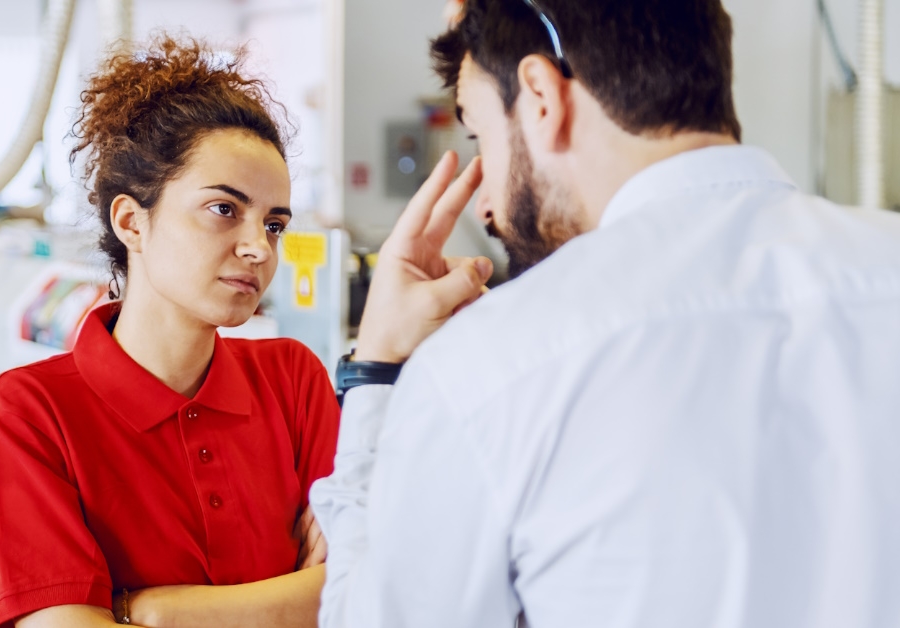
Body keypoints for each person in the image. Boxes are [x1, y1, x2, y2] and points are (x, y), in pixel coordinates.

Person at [311, 1, 900, 627]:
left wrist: (376, 375)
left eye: (481, 135)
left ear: (540, 95)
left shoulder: (490, 367)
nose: (485, 205)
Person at [0, 36, 339, 628]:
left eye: (273, 224)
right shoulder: (32, 412)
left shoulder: (293, 380)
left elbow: (361, 593)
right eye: (224, 209)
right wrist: (290, 602)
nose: (258, 248)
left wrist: (152, 609)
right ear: (131, 221)